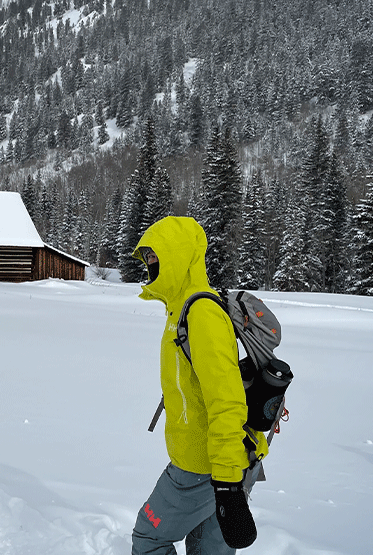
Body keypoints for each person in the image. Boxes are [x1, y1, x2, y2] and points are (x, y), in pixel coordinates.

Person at [130, 216, 268, 555]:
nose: (150, 264)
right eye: (147, 257)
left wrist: (226, 481)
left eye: (156, 255)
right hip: (220, 461)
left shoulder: (201, 313)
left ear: (178, 256)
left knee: (149, 537)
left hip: (202, 465)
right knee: (210, 549)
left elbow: (227, 400)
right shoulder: (182, 309)